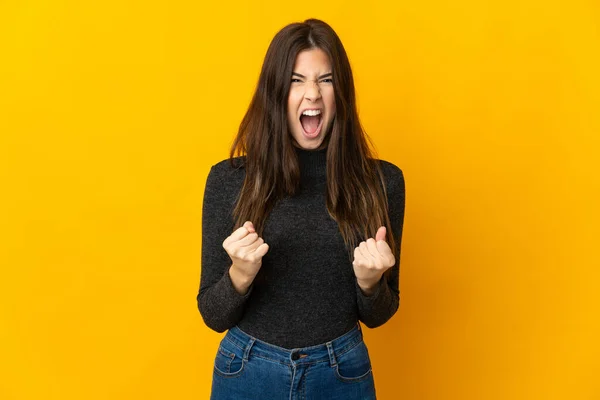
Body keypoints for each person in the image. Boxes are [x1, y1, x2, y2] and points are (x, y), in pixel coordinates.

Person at [197, 18, 405, 400]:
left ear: (341, 92)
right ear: (275, 93)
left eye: (325, 80)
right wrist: (239, 276)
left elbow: (380, 314)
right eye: (296, 80)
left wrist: (370, 283)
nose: (312, 94)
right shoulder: (229, 180)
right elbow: (213, 314)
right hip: (248, 371)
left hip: (342, 372)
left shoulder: (382, 183)